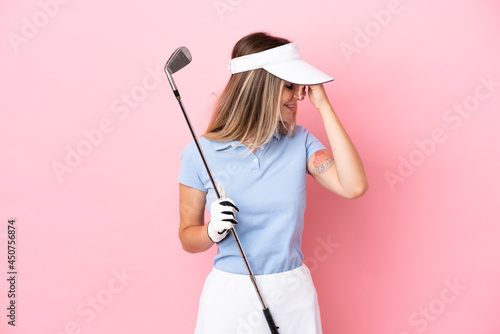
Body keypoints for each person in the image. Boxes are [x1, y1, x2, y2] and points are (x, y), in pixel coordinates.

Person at [178, 32, 368, 334]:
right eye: (289, 87)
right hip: (229, 298)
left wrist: (325, 107)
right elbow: (188, 238)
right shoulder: (199, 153)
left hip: (292, 293)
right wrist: (212, 231)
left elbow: (353, 186)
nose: (300, 96)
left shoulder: (300, 142)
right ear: (261, 88)